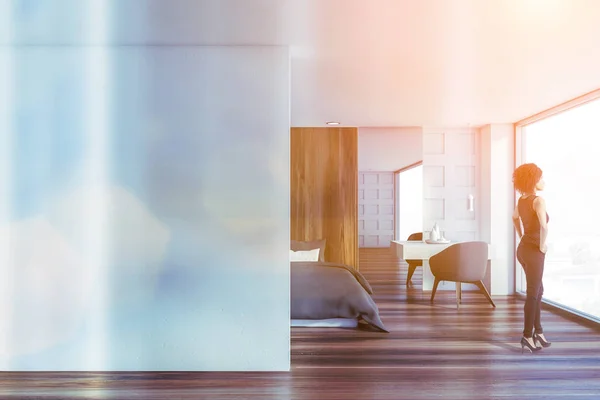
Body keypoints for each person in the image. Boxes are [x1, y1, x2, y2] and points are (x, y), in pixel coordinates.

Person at [512, 163, 552, 353]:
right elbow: (544, 226)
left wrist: (522, 236)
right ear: (534, 180)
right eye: (541, 178)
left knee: (538, 290)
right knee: (533, 293)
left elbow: (514, 218)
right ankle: (527, 336)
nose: (543, 181)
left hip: (523, 250)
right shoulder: (538, 200)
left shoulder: (521, 200)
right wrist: (542, 245)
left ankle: (539, 332)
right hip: (535, 252)